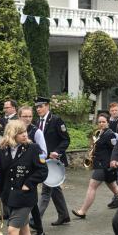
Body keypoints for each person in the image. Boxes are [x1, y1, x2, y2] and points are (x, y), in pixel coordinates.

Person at [72, 113, 118, 218]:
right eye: (99, 122)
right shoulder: (101, 133)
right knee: (115, 188)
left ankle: (82, 211)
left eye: (103, 122)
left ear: (108, 122)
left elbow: (115, 150)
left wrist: (114, 162)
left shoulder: (110, 134)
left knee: (92, 187)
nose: (101, 124)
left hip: (104, 166)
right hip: (101, 164)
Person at [35, 97, 71, 226]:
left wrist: (57, 151)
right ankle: (64, 215)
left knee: (46, 190)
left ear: (47, 106)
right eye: (37, 107)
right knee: (55, 189)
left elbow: (66, 140)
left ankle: (35, 221)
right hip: (43, 161)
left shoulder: (56, 120)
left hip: (54, 162)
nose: (38, 109)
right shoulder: (37, 122)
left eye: (41, 106)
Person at [17, 106, 48, 235]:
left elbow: (43, 152)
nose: (28, 119)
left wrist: (32, 160)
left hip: (31, 172)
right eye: (25, 116)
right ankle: (40, 233)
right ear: (19, 117)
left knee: (26, 202)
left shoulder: (37, 132)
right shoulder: (15, 130)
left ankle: (16, 234)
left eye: (30, 116)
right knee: (32, 204)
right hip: (18, 171)